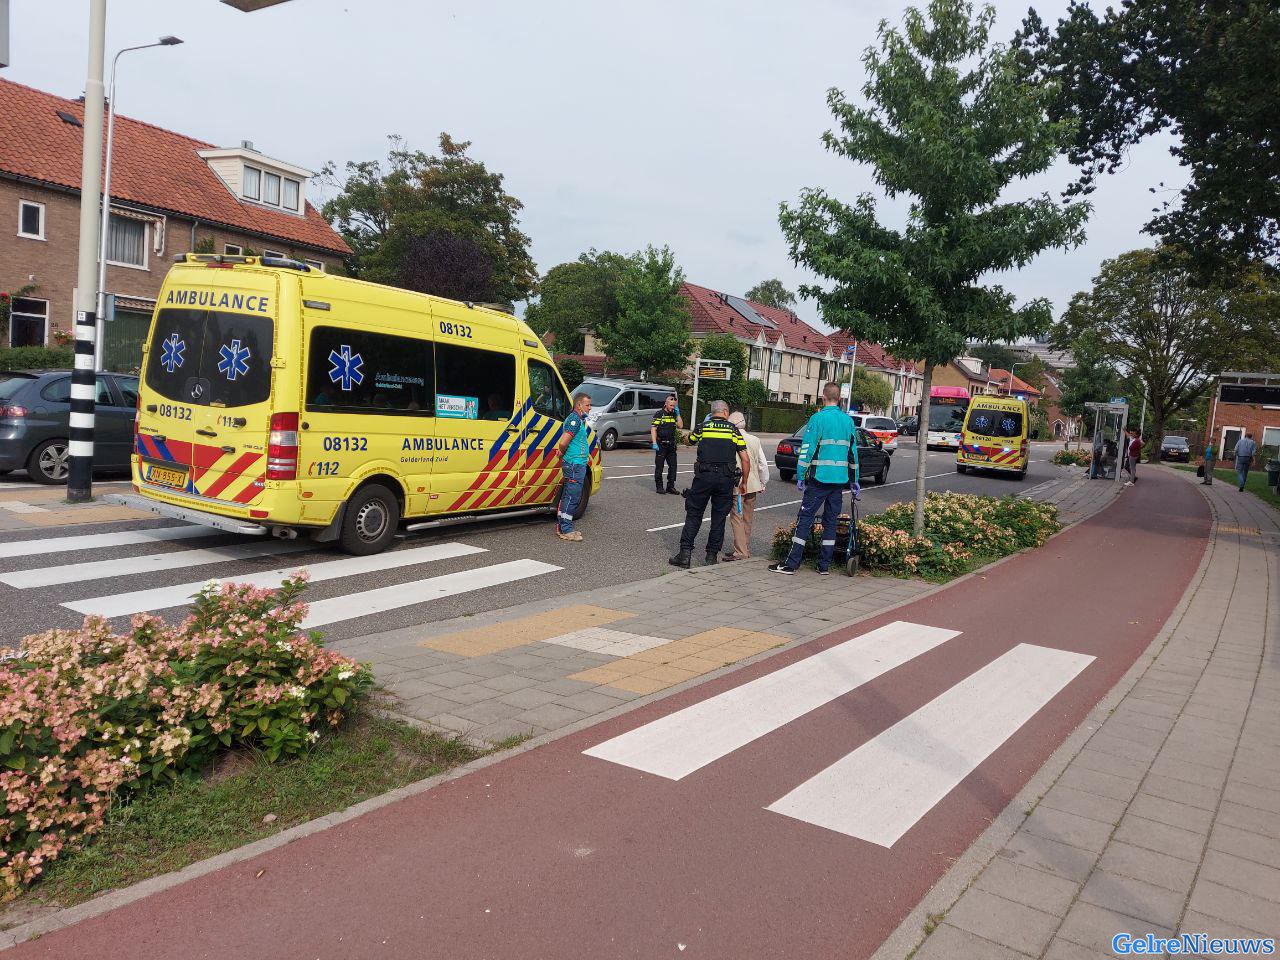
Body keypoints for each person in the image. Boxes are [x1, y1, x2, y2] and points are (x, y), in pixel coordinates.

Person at [769, 382, 858, 576]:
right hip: (839, 481)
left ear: (823, 397)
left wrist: (801, 475)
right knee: (831, 522)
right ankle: (823, 566)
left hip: (819, 479)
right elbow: (853, 453)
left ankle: (791, 564)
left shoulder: (817, 419)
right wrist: (854, 480)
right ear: (840, 399)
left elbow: (807, 451)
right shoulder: (848, 421)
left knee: (805, 519)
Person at [669, 399, 751, 568]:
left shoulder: (703, 427)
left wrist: (685, 436)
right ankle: (711, 557)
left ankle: (685, 555)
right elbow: (745, 459)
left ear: (712, 412)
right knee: (719, 518)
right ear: (726, 412)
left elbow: (688, 441)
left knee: (694, 514)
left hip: (703, 477)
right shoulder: (734, 430)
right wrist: (744, 482)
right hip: (726, 479)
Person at [723, 410, 770, 561]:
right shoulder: (755, 439)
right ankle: (744, 547)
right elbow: (762, 463)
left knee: (736, 517)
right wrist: (763, 482)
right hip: (754, 484)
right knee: (747, 518)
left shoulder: (732, 438)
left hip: (738, 484)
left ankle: (741, 551)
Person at [555, 392, 592, 542]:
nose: (590, 408)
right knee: (572, 496)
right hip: (574, 464)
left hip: (578, 462)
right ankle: (566, 529)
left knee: (569, 496)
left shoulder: (579, 420)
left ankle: (564, 526)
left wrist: (585, 454)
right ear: (579, 405)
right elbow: (564, 442)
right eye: (588, 405)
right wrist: (562, 453)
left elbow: (577, 442)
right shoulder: (574, 420)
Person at [650, 394, 683, 494]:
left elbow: (680, 426)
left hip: (671, 445)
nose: (673, 407)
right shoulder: (659, 414)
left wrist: (678, 414)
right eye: (671, 405)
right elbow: (653, 428)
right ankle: (659, 486)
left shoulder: (674, 414)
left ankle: (670, 486)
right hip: (661, 445)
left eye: (674, 406)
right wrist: (654, 442)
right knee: (659, 467)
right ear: (666, 404)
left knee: (673, 467)